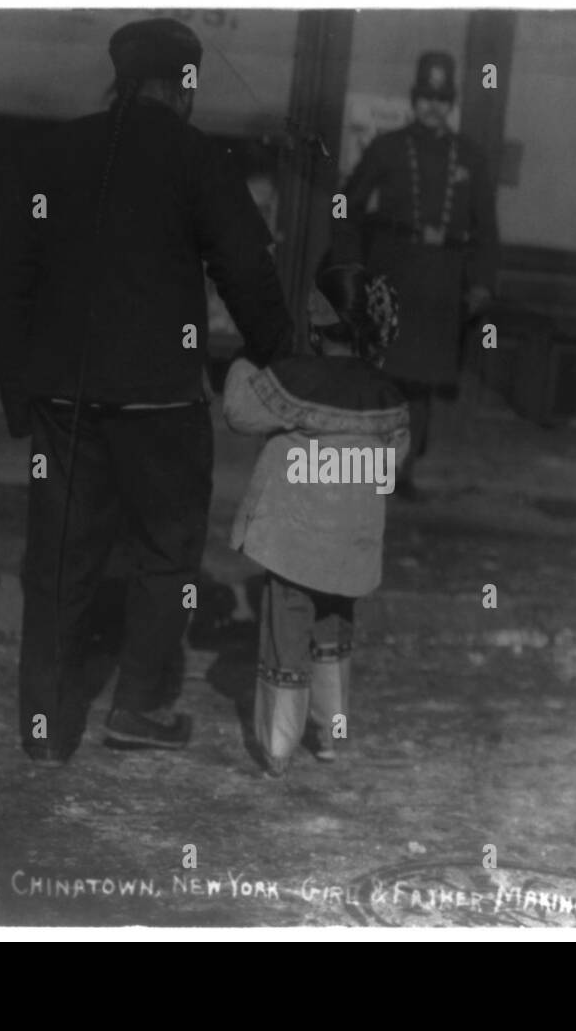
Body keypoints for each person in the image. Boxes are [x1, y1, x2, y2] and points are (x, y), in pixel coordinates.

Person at [0, 18, 294, 766]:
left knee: (59, 558)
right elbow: (247, 270)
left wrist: (18, 389)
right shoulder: (197, 159)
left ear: (120, 80)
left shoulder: (56, 153)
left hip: (66, 399)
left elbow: (11, 276)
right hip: (161, 402)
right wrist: (281, 361)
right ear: (183, 86)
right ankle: (139, 705)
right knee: (165, 553)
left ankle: (45, 723)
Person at [222, 253, 409, 777]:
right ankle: (329, 733)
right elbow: (392, 460)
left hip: (294, 540)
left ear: (316, 324)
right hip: (348, 546)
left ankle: (278, 747)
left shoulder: (294, 378)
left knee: (286, 633)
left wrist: (244, 361)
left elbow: (239, 411)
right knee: (332, 632)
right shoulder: (387, 395)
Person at [337, 51, 499, 499]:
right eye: (426, 96)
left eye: (442, 97)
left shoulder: (471, 156)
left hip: (444, 280)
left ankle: (404, 472)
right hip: (395, 271)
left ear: (452, 102)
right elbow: (345, 206)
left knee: (424, 380)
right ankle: (374, 467)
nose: (433, 105)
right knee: (386, 373)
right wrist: (352, 265)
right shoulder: (387, 147)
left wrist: (482, 282)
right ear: (414, 98)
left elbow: (487, 227)